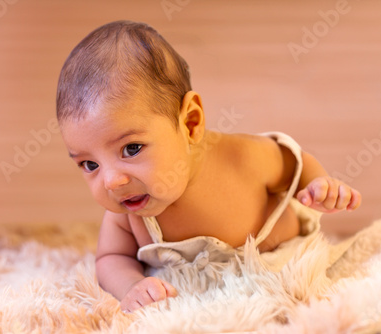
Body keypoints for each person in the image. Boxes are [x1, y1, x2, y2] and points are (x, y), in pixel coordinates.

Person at [56, 20, 361, 313]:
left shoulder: (243, 157)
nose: (111, 181)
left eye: (131, 148)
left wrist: (319, 184)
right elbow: (111, 258)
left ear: (190, 123)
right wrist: (132, 285)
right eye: (89, 164)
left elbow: (298, 163)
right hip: (216, 302)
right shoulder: (126, 213)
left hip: (283, 267)